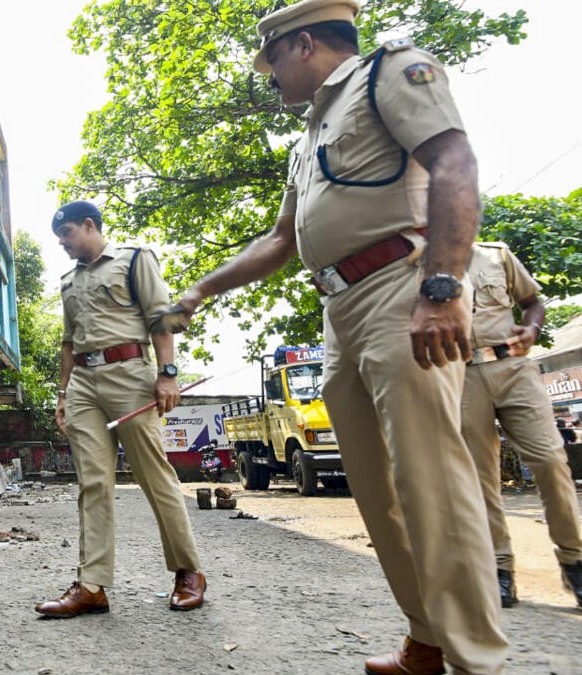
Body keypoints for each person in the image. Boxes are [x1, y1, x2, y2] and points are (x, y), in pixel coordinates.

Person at [162, 0, 506, 672]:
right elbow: (280, 240)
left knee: (430, 480)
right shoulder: (307, 140)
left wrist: (443, 286)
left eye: (272, 69)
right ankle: (427, 637)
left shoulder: (390, 75)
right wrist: (201, 289)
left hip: (401, 286)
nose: (272, 85)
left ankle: (478, 659)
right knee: (374, 488)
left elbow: (454, 163)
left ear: (303, 44)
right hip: (340, 310)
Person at [35, 199, 205, 619]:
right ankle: (92, 585)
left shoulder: (133, 260)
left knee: (154, 473)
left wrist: (167, 374)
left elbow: (161, 319)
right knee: (92, 482)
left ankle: (188, 572)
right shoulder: (68, 282)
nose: (63, 246)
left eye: (67, 236)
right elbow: (68, 343)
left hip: (130, 373)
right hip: (84, 385)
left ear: (89, 225)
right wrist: (62, 395)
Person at [461, 241, 582, 608]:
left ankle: (574, 561)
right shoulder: (413, 266)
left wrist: (532, 328)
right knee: (481, 478)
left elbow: (533, 304)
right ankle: (499, 569)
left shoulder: (495, 254)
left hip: (513, 368)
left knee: (550, 460)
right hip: (458, 375)